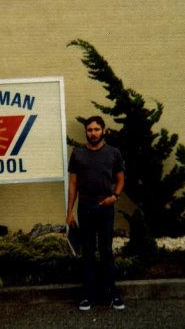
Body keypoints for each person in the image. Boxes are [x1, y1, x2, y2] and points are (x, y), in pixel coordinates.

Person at [66, 116, 125, 311]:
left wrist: (114, 197)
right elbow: (73, 184)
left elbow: (120, 180)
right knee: (88, 252)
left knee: (106, 251)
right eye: (90, 130)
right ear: (86, 131)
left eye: (96, 129)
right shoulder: (78, 154)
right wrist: (70, 212)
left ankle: (112, 294)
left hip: (106, 207)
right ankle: (89, 296)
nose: (93, 133)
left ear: (104, 130)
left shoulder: (113, 153)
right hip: (85, 208)